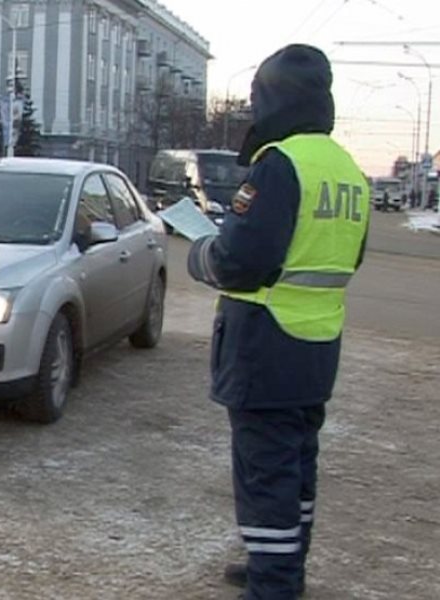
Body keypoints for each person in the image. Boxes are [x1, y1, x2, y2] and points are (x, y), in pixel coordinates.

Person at [187, 45, 369, 599]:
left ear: (271, 97)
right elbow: (351, 257)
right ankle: (287, 563)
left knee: (265, 470)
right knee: (296, 463)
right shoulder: (346, 169)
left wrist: (200, 254)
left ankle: (274, 582)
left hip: (267, 342)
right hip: (317, 341)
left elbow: (241, 260)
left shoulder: (281, 163)